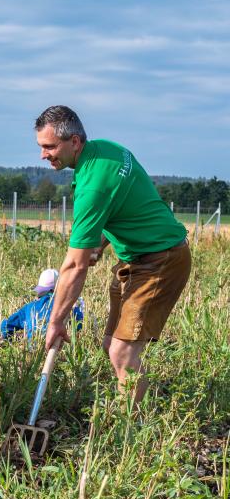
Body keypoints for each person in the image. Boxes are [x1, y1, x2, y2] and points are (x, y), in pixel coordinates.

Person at [35, 105, 191, 404]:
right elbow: (122, 206)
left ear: (75, 141)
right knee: (111, 344)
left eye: (50, 146)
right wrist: (100, 245)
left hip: (161, 260)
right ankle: (129, 402)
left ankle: (128, 429)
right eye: (42, 146)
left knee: (123, 351)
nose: (44, 155)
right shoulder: (107, 150)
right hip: (136, 258)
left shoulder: (94, 186)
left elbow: (74, 267)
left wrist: (56, 321)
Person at [0, 268, 84, 343]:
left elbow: (5, 326)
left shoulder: (29, 307)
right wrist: (76, 307)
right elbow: (80, 325)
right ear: (57, 288)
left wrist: (16, 339)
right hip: (60, 351)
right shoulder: (66, 305)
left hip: (33, 352)